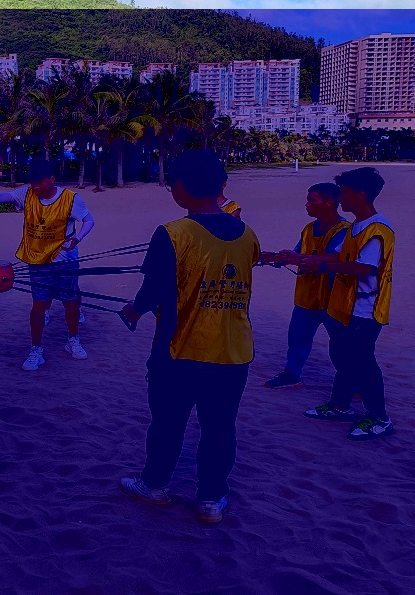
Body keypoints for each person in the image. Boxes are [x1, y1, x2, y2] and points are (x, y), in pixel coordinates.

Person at [119, 149, 259, 524]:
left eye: (172, 184)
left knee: (167, 423)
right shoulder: (247, 234)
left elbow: (154, 290)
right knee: (219, 427)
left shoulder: (172, 233)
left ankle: (154, 485)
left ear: (181, 187)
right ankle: (212, 498)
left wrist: (134, 310)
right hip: (233, 351)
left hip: (179, 350)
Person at [299, 167, 394, 441]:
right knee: (343, 358)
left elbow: (364, 267)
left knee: (364, 364)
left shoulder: (377, 229)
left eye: (345, 193)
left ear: (361, 195)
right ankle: (340, 407)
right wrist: (308, 259)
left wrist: (322, 267)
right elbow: (340, 255)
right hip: (345, 308)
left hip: (365, 312)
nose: (340, 199)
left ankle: (380, 418)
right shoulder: (357, 226)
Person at [0, 158, 95, 370]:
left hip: (65, 260)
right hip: (36, 259)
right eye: (33, 183)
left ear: (52, 179)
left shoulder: (71, 198)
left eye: (40, 182)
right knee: (38, 305)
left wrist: (77, 238)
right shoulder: (26, 193)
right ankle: (36, 350)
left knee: (70, 302)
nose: (36, 187)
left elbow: (89, 220)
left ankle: (73, 340)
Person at [259, 183, 348, 389]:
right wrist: (277, 258)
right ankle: (292, 375)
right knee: (297, 340)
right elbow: (298, 254)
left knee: (341, 345)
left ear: (328, 203)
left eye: (312, 200)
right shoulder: (308, 228)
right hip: (306, 296)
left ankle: (353, 383)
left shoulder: (344, 230)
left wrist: (297, 258)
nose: (307, 204)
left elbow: (334, 256)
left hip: (332, 299)